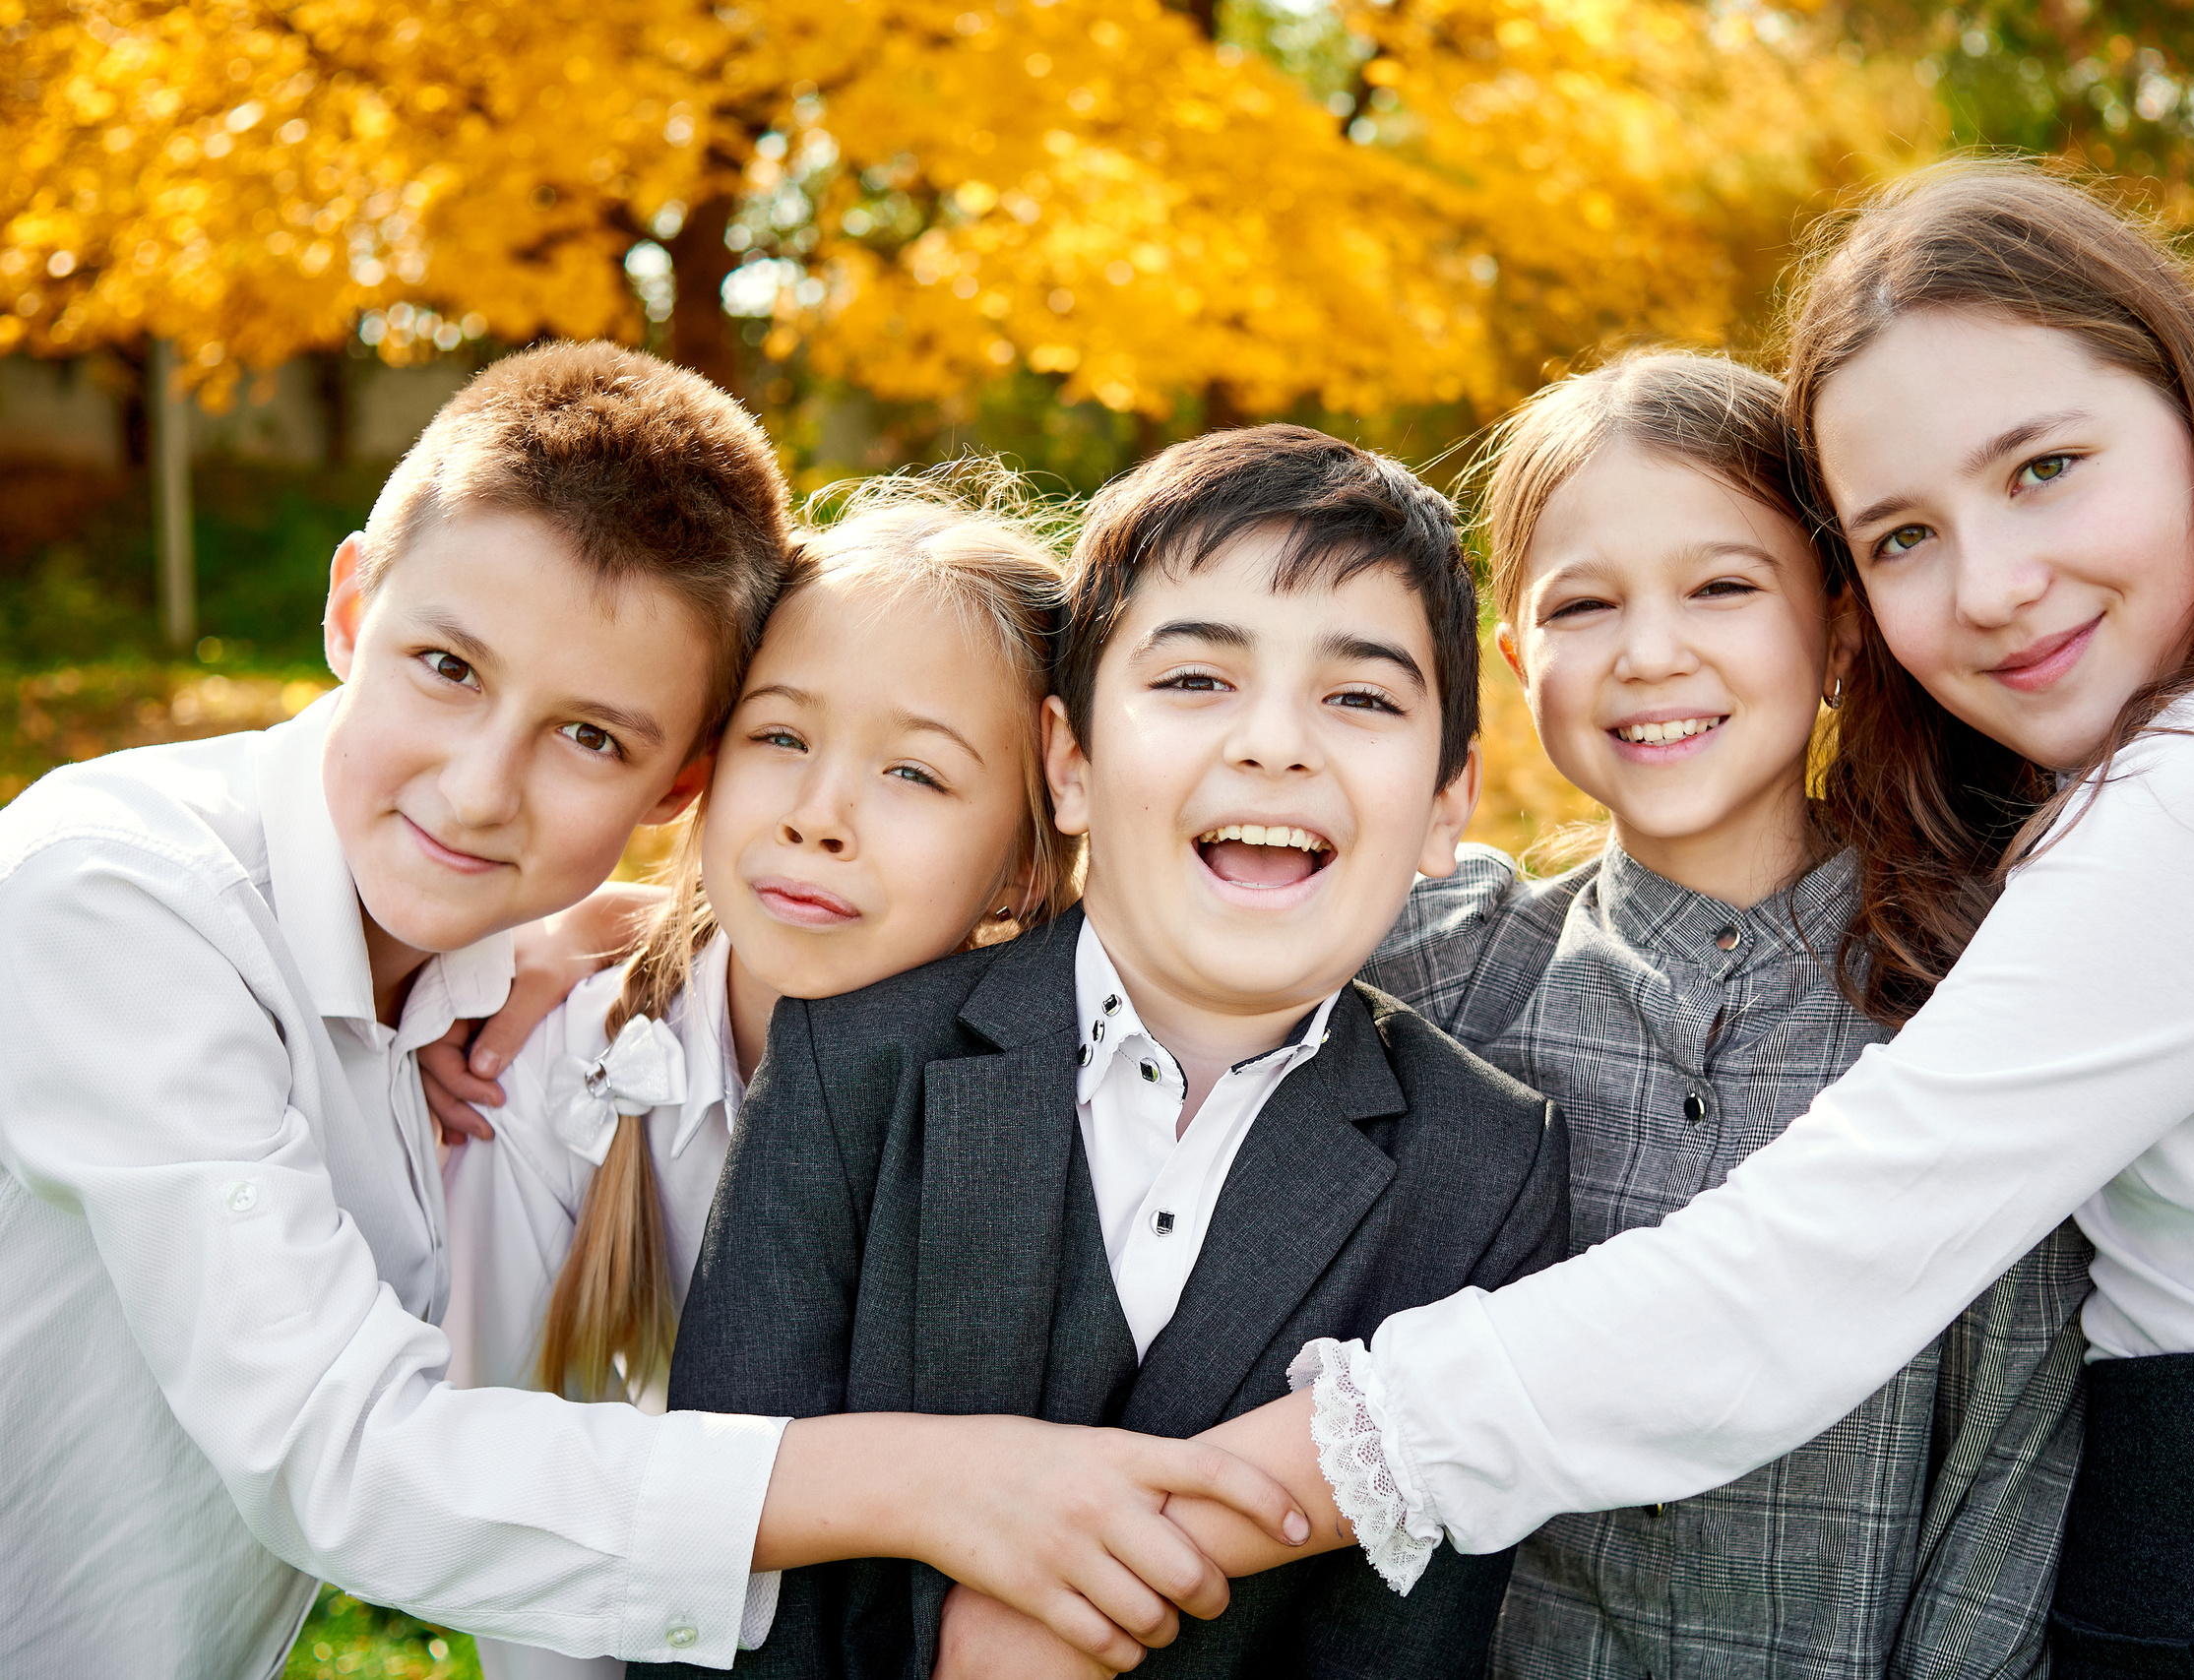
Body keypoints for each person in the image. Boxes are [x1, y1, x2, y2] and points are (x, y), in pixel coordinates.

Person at [1189, 161, 2194, 1676]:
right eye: (1903, 536)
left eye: (2043, 466)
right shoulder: (2133, 800)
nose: (1998, 586)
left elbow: (1795, 1281)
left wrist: (1176, 1514)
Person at [0, 345, 1305, 1680]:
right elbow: (344, 1454)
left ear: (675, 778)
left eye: (592, 738)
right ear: (350, 606)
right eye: (446, 664)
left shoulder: (486, 981)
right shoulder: (120, 901)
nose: (477, 790)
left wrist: (605, 926)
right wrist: (925, 1479)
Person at [643, 424, 1570, 1679]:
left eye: (1357, 697)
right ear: (1069, 763)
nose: (1274, 744)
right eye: (1195, 681)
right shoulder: (855, 1062)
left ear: (1448, 799)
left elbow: (1402, 1639)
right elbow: (725, 1553)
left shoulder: (1487, 1159)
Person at [1354, 348, 2090, 1680]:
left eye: (1723, 586)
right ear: (1519, 661)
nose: (1649, 651)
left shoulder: (1987, 983)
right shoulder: (1441, 977)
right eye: (1585, 605)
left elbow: (2011, 1472)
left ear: (1842, 630)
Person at [440, 473, 1085, 1680]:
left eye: (917, 774)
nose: (818, 816)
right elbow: (507, 1503)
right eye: (780, 737)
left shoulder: (1076, 1109)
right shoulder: (552, 1067)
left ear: (1023, 864)